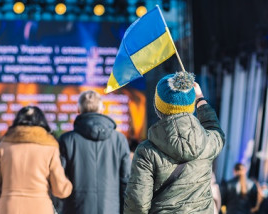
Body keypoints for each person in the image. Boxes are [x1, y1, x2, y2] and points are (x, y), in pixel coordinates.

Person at [124, 71, 225, 214]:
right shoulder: (208, 142)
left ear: (158, 107)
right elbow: (216, 131)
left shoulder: (146, 152)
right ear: (190, 105)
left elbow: (138, 205)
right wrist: (201, 100)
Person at [0, 106, 72, 214]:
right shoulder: (49, 148)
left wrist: (0, 206)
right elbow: (60, 189)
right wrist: (69, 186)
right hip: (40, 208)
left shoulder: (4, 147)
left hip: (9, 207)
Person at [59, 90, 131, 214]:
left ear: (78, 110)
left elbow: (59, 181)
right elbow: (126, 181)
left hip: (75, 209)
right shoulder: (119, 140)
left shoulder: (67, 140)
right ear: (102, 109)